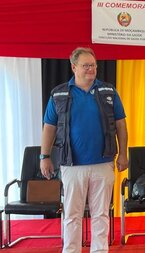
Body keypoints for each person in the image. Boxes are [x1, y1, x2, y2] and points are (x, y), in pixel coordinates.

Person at [40, 47, 128, 253]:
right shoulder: (59, 94)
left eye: (94, 65)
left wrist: (123, 153)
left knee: (101, 214)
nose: (91, 69)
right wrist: (44, 156)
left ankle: (100, 250)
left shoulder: (109, 91)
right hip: (72, 165)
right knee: (72, 214)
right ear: (74, 67)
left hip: (104, 162)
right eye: (86, 65)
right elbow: (49, 127)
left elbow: (121, 125)